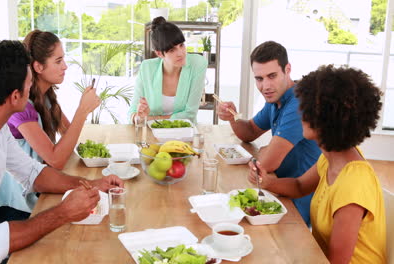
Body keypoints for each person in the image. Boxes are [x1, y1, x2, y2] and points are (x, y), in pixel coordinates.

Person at [0, 40, 123, 264]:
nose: (33, 90)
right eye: (30, 85)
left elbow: (34, 174)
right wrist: (63, 212)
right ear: (15, 97)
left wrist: (91, 184)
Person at [249, 65, 386, 263]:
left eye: (307, 109)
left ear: (330, 119)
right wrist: (266, 180)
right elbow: (299, 186)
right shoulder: (332, 158)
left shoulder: (353, 185)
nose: (300, 115)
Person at [0, 30, 101, 222]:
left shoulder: (47, 98)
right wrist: (83, 110)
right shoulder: (22, 107)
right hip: (17, 206)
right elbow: (55, 160)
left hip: (39, 190)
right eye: (58, 61)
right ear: (38, 67)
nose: (65, 66)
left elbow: (69, 133)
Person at [217, 41, 321, 225]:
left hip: (297, 202)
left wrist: (264, 153)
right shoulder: (276, 99)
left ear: (287, 69)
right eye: (259, 78)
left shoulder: (298, 104)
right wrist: (232, 118)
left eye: (272, 76)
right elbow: (249, 132)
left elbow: (266, 164)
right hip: (277, 187)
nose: (266, 86)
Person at [128, 16, 207, 124]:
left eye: (181, 45)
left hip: (184, 135)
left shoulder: (197, 64)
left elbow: (190, 115)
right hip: (151, 135)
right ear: (159, 53)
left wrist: (150, 120)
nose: (181, 53)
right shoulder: (147, 68)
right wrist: (139, 118)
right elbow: (132, 113)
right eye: (172, 50)